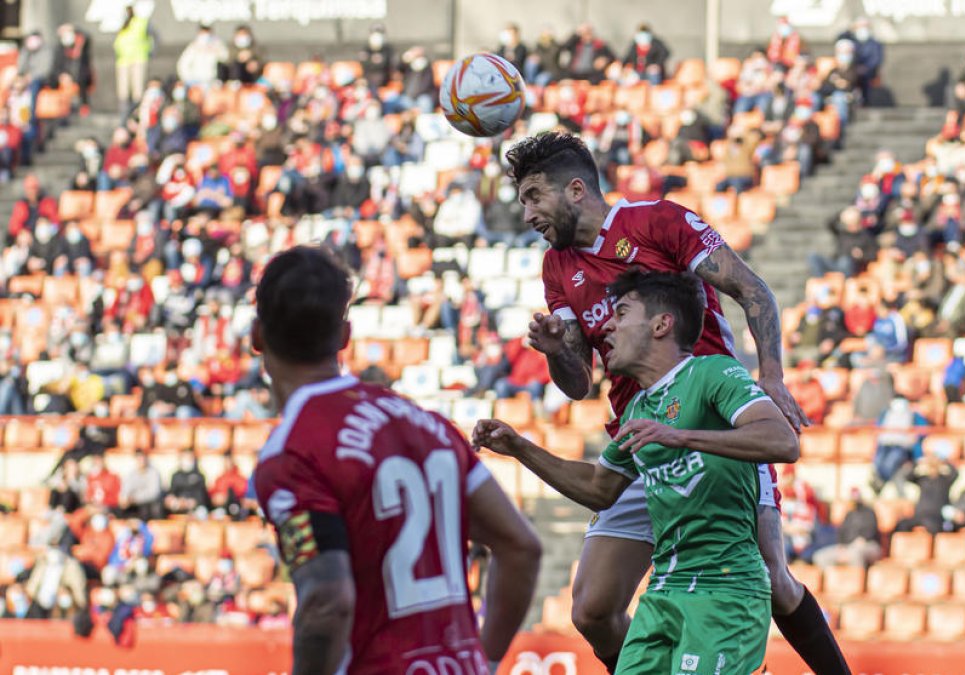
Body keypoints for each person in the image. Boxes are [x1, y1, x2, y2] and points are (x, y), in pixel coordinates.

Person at [504, 132, 845, 673]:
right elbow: (577, 383)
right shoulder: (556, 268)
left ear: (575, 189)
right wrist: (555, 352)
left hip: (713, 428)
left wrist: (772, 377)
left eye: (532, 196)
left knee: (775, 583)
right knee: (592, 610)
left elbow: (753, 290)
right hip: (639, 440)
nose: (526, 213)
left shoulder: (657, 222)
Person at [475, 269, 837, 674]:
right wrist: (519, 448)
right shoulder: (639, 408)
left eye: (622, 312)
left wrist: (680, 437)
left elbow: (782, 441)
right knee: (592, 612)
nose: (607, 325)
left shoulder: (712, 372)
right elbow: (600, 488)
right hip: (664, 593)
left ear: (662, 324)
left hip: (726, 588)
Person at [250, 246, 541, 673]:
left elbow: (326, 602)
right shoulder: (426, 424)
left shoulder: (293, 451)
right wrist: (486, 660)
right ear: (344, 336)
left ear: (257, 336)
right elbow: (521, 546)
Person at [112, 6, 152, 113]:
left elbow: (153, 38)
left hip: (138, 59)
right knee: (123, 92)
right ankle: (124, 118)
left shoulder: (141, 23)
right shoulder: (121, 25)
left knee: (137, 91)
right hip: (123, 61)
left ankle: (136, 115)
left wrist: (149, 52)